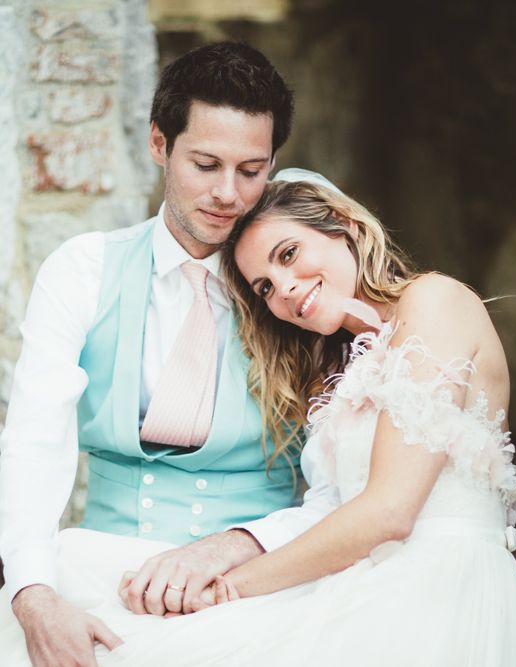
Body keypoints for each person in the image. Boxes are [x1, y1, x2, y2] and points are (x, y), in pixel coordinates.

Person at [2, 171, 516, 666]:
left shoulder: (435, 300)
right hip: (365, 582)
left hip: (439, 592)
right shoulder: (347, 367)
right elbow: (332, 505)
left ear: (345, 225)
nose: (282, 289)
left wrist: (225, 590)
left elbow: (388, 512)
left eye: (288, 254)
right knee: (72, 584)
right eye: (264, 286)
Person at [0, 43, 338, 667]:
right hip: (102, 577)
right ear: (160, 144)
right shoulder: (83, 270)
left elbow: (338, 485)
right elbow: (34, 438)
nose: (228, 194)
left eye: (251, 169)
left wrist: (239, 545)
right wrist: (31, 592)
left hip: (255, 587)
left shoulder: (297, 293)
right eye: (205, 164)